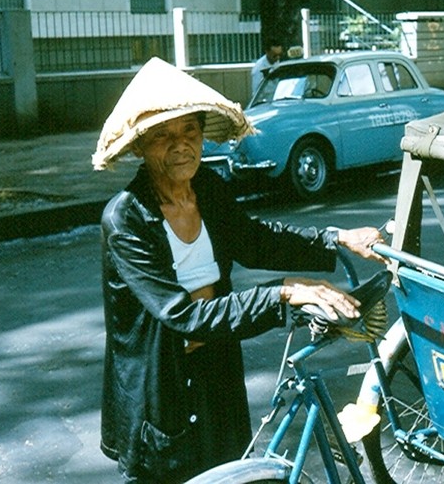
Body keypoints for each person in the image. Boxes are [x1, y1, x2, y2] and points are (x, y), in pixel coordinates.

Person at [92, 57, 385, 483]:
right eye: (162, 137)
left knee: (232, 471)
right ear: (140, 146)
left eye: (189, 131)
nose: (180, 145)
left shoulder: (208, 188)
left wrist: (337, 238)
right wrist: (283, 291)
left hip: (218, 371)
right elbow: (183, 317)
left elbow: (254, 239)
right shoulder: (125, 220)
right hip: (162, 388)